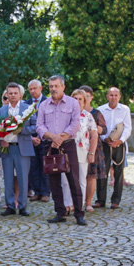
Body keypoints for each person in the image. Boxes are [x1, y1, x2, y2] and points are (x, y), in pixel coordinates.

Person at [36, 75, 86, 226]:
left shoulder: (72, 103)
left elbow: (75, 123)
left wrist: (60, 138)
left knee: (73, 180)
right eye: (51, 86)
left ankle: (79, 214)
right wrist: (52, 137)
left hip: (68, 145)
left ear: (63, 87)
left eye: (56, 86)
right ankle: (60, 212)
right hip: (50, 146)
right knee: (54, 182)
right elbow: (39, 126)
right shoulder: (44, 105)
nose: (53, 89)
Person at [0, 83, 34, 216]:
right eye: (10, 93)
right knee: (7, 178)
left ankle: (23, 206)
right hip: (7, 148)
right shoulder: (2, 110)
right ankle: (10, 205)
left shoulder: (27, 109)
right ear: (6, 94)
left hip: (22, 147)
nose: (12, 95)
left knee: (23, 178)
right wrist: (0, 140)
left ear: (20, 95)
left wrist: (22, 130)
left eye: (15, 93)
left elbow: (35, 126)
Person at [97, 87, 131, 209]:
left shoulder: (125, 109)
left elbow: (128, 128)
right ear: (107, 96)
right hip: (104, 144)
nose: (113, 97)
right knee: (102, 172)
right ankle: (100, 199)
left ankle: (116, 200)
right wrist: (104, 138)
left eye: (116, 95)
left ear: (119, 97)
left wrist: (120, 141)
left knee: (118, 172)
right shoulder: (100, 109)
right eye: (111, 95)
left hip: (119, 144)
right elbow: (98, 127)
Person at [68, 89, 97, 211]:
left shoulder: (87, 116)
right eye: (75, 99)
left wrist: (91, 153)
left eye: (80, 99)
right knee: (66, 180)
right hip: (67, 150)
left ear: (84, 101)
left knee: (81, 180)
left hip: (82, 150)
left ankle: (79, 205)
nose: (77, 101)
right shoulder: (66, 114)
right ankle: (68, 204)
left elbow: (94, 135)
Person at [79, 86, 106, 212]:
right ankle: (77, 201)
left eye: (88, 96)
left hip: (93, 147)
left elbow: (104, 129)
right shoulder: (73, 113)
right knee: (78, 176)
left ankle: (88, 202)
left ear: (90, 97)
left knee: (91, 176)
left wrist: (98, 129)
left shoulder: (96, 113)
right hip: (79, 147)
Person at [26, 79, 50, 202]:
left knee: (45, 165)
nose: (33, 91)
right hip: (31, 138)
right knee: (33, 166)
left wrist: (41, 136)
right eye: (30, 89)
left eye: (35, 88)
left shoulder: (48, 102)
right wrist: (31, 138)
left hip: (45, 139)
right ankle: (37, 191)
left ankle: (45, 192)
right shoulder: (26, 104)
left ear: (40, 88)